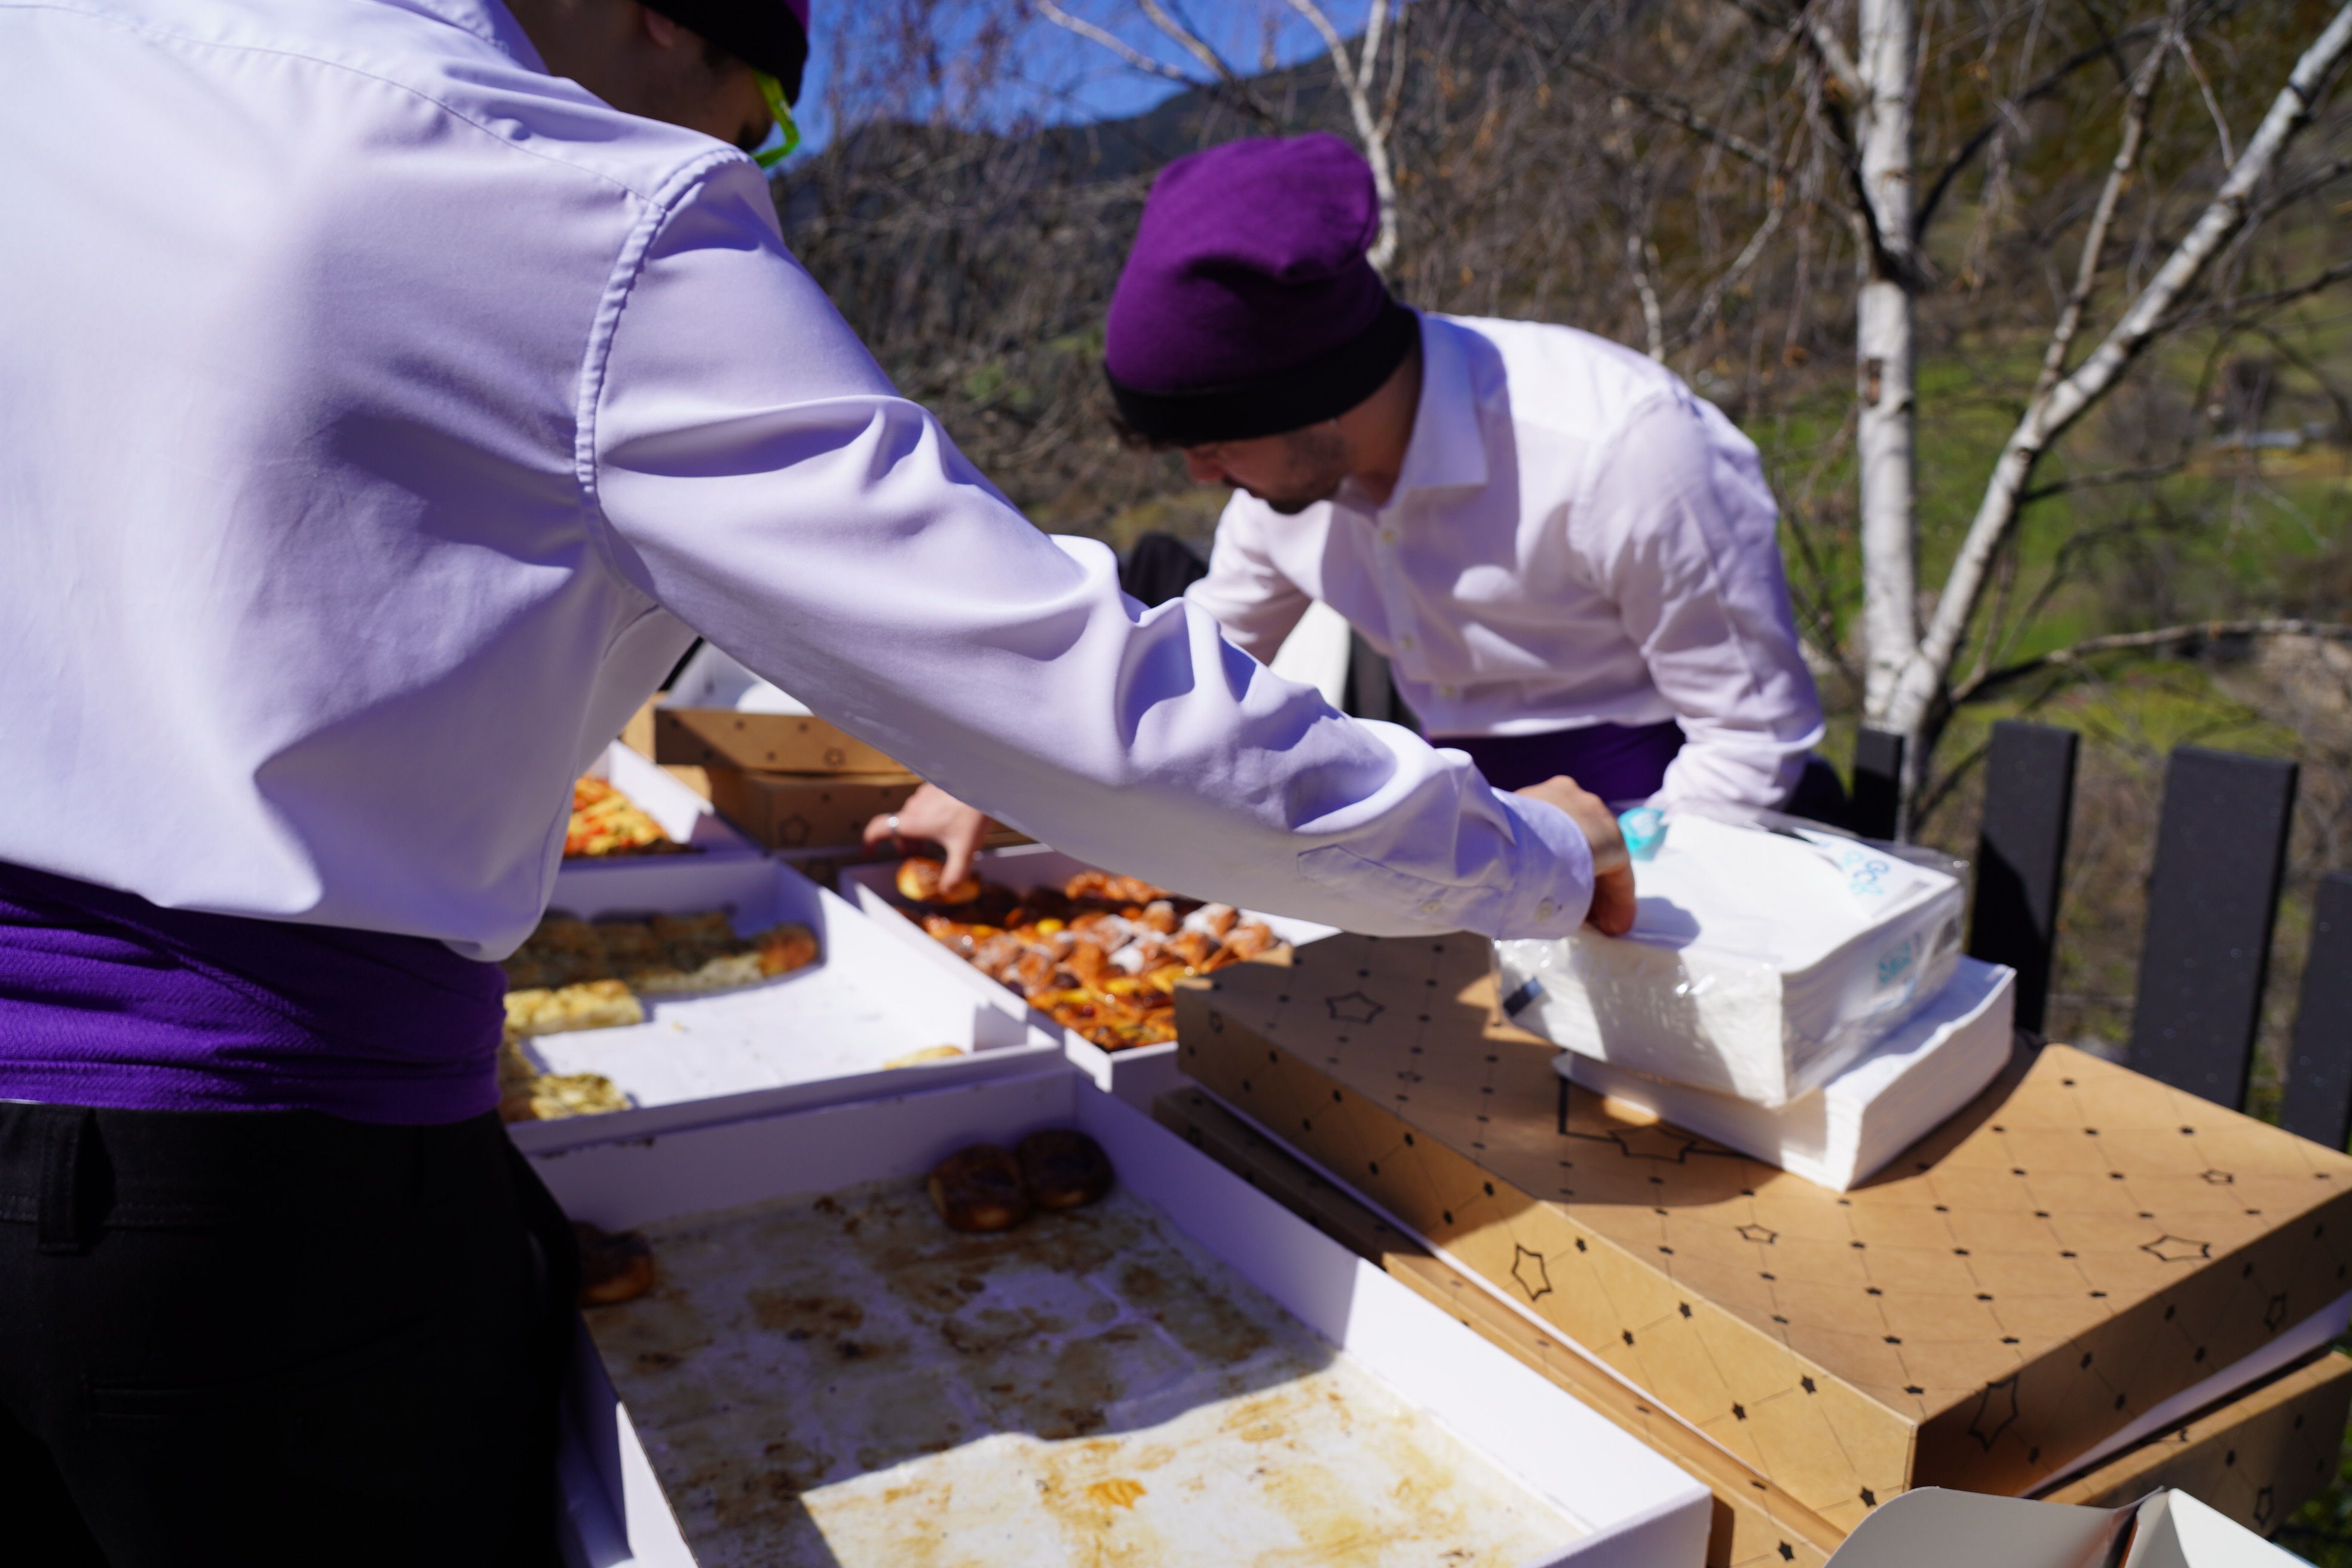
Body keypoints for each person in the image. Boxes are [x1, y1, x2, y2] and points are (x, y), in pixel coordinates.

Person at [0, 3, 1631, 1561]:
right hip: (231, 1177)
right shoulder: (566, 202)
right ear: (666, 18)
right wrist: (1531, 855)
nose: (751, 156)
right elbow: (1081, 700)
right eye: (767, 115)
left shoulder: (62, 53)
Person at [878, 133, 1839, 880]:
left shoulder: (1623, 449)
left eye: (1217, 442)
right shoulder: (1286, 485)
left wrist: (1619, 885)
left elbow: (1753, 742)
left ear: (1317, 391)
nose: (1204, 480)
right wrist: (1001, 787)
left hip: (1664, 828)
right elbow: (1193, 670)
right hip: (1482, 841)